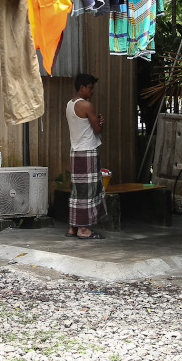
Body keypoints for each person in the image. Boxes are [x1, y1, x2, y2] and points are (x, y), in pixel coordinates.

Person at [66, 73, 107, 239]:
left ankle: (73, 227)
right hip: (87, 151)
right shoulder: (86, 105)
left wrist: (95, 121)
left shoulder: (70, 104)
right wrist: (100, 122)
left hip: (75, 151)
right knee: (88, 191)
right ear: (81, 87)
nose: (92, 91)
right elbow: (97, 129)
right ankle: (84, 229)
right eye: (90, 87)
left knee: (78, 191)